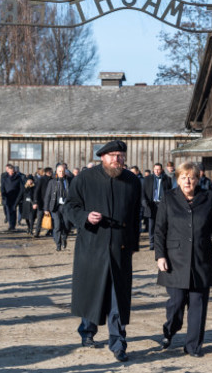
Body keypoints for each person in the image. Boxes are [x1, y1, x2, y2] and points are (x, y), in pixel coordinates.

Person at [64, 140, 142, 363]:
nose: (117, 160)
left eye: (120, 156)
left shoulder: (132, 181)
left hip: (120, 249)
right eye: (112, 156)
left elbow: (136, 216)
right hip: (92, 246)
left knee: (118, 298)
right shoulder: (85, 179)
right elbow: (69, 207)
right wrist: (85, 217)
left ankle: (118, 343)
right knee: (92, 292)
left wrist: (133, 246)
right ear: (102, 157)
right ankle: (87, 332)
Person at [155, 162, 212, 357]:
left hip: (200, 259)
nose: (188, 180)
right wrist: (160, 255)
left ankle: (193, 346)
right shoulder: (169, 198)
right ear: (177, 179)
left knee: (198, 304)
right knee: (176, 303)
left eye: (192, 177)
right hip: (174, 259)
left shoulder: (208, 198)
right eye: (183, 177)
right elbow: (160, 229)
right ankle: (170, 329)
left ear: (198, 179)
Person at [142, 163, 173, 250]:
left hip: (162, 204)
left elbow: (170, 192)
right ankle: (152, 243)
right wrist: (144, 202)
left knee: (162, 224)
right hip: (151, 204)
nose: (157, 171)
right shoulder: (147, 179)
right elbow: (143, 191)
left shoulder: (167, 179)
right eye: (155, 169)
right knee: (151, 225)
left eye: (158, 169)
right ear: (153, 169)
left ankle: (161, 243)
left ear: (162, 170)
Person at [44, 164, 72, 251]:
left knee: (67, 225)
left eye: (63, 171)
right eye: (60, 171)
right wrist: (46, 209)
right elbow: (47, 196)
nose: (62, 173)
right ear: (57, 172)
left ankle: (64, 237)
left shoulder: (70, 181)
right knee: (57, 226)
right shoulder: (52, 182)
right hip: (55, 207)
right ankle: (58, 244)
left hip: (66, 207)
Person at [0, 164, 24, 231]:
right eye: (10, 171)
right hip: (7, 197)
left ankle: (12, 226)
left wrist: (19, 197)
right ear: (8, 171)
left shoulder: (18, 178)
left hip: (15, 197)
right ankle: (10, 224)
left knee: (13, 210)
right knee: (8, 211)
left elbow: (21, 189)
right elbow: (2, 187)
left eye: (13, 171)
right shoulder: (5, 178)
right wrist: (3, 195)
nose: (12, 172)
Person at [33, 167, 53, 237]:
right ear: (48, 172)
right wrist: (35, 202)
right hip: (41, 202)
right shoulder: (41, 179)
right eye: (50, 172)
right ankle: (37, 232)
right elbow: (36, 191)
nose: (51, 173)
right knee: (40, 218)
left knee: (51, 217)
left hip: (51, 202)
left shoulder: (53, 180)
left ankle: (50, 231)